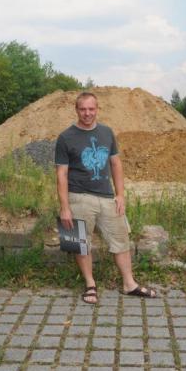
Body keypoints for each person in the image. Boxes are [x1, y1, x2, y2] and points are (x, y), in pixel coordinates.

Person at [55, 91, 158, 305]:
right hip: (78, 197)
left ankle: (129, 284)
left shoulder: (107, 132)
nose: (87, 113)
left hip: (107, 196)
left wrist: (120, 194)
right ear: (76, 110)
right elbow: (61, 174)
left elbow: (116, 164)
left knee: (121, 238)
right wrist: (64, 207)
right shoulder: (65, 137)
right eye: (83, 109)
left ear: (97, 109)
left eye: (91, 109)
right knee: (81, 243)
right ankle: (90, 284)